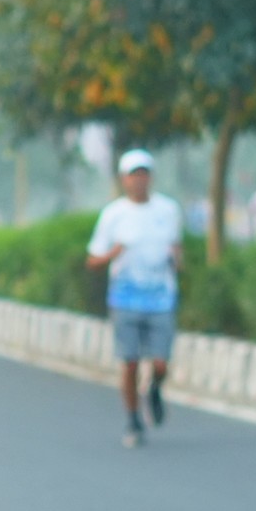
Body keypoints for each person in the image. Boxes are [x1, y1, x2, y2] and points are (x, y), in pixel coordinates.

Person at [87, 148, 184, 448]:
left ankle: (154, 389)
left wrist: (177, 261)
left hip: (161, 298)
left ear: (151, 177)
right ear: (124, 179)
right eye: (134, 175)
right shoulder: (113, 215)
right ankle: (133, 419)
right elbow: (92, 260)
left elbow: (176, 248)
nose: (139, 180)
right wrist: (113, 254)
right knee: (129, 364)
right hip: (125, 299)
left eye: (144, 174)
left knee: (160, 364)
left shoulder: (168, 210)